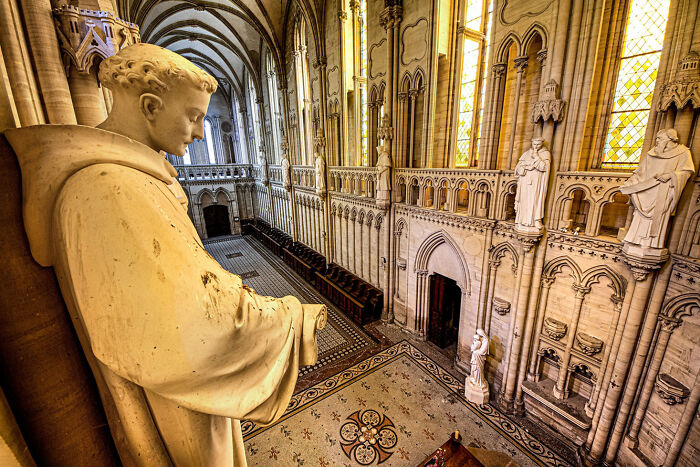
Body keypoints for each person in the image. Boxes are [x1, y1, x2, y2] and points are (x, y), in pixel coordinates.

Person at [5, 43, 325, 467]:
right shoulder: (109, 189)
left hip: (172, 382)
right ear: (151, 106)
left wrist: (218, 282)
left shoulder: (130, 178)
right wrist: (290, 317)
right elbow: (192, 328)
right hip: (172, 395)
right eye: (194, 117)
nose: (198, 133)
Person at [620, 129, 695, 249]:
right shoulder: (652, 153)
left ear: (670, 139)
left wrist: (670, 175)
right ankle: (634, 239)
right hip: (646, 193)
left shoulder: (683, 153)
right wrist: (630, 183)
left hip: (663, 191)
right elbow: (640, 172)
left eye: (660, 139)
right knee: (640, 216)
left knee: (658, 216)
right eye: (656, 138)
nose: (657, 141)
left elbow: (686, 171)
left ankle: (652, 243)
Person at [514, 137, 551, 231]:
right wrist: (521, 169)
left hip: (536, 182)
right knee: (524, 200)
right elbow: (518, 168)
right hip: (525, 182)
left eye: (538, 144)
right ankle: (520, 219)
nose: (536, 146)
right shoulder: (526, 154)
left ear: (542, 144)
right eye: (534, 144)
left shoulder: (545, 154)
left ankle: (535, 220)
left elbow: (545, 168)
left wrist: (536, 157)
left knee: (534, 200)